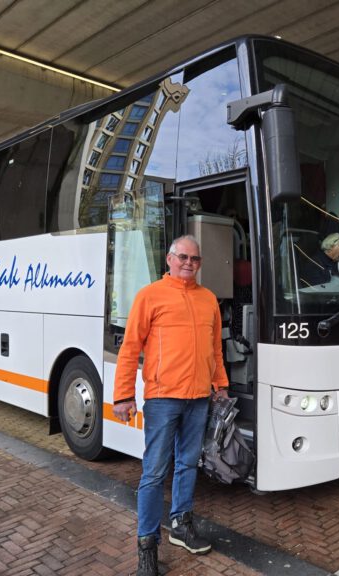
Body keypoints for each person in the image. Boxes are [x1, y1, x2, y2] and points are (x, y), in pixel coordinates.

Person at [113, 235, 229, 576]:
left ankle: (181, 524)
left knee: (188, 465)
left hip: (198, 399)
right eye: (183, 257)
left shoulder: (208, 299)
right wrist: (123, 395)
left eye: (195, 259)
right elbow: (130, 347)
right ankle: (147, 546)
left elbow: (215, 349)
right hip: (163, 399)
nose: (189, 263)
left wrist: (220, 385)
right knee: (153, 473)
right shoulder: (150, 295)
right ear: (169, 259)